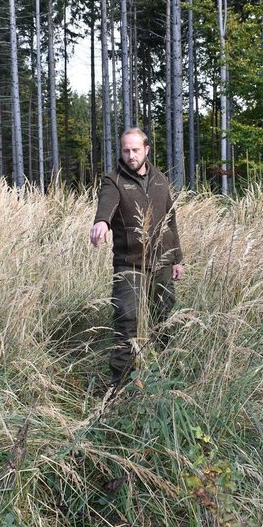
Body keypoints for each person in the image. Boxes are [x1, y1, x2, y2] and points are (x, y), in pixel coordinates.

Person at [89, 128, 185, 388]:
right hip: (129, 265)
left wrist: (177, 258)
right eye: (126, 150)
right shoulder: (114, 181)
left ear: (146, 149)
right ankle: (120, 389)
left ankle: (161, 377)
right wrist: (101, 223)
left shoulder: (160, 181)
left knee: (163, 319)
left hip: (162, 263)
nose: (130, 156)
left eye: (135, 150)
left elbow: (170, 221)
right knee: (127, 321)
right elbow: (106, 205)